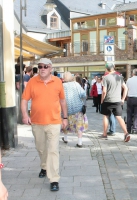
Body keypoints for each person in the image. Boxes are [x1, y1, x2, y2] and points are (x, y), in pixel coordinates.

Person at [21, 58, 68, 191]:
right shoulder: (32, 82)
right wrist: (25, 115)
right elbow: (24, 100)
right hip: (36, 122)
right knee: (41, 148)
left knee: (53, 150)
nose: (42, 68)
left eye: (45, 66)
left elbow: (63, 101)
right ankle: (44, 166)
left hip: (54, 122)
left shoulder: (58, 81)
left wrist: (65, 117)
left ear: (50, 68)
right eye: (40, 66)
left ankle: (54, 179)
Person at [99, 63, 130, 142]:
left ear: (106, 69)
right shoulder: (120, 77)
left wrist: (102, 100)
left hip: (108, 100)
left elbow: (104, 91)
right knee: (119, 117)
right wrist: (123, 99)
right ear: (114, 68)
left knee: (106, 116)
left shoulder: (105, 78)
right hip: (117, 100)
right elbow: (126, 88)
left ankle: (105, 134)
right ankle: (126, 133)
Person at [61, 72, 88, 148]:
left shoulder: (62, 86)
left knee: (65, 123)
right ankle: (80, 142)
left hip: (65, 109)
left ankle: (65, 138)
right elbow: (83, 94)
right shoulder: (76, 84)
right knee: (79, 125)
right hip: (77, 108)